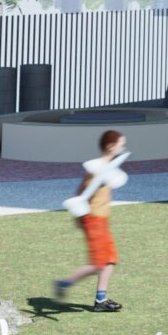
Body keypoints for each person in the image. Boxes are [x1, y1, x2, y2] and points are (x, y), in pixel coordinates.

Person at [52, 129, 128, 312]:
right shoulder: (96, 168)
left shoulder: (106, 167)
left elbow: (81, 190)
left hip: (101, 219)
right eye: (121, 144)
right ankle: (63, 284)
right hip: (93, 219)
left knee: (110, 260)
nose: (123, 147)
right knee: (98, 263)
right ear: (110, 146)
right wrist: (80, 214)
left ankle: (100, 300)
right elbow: (84, 189)